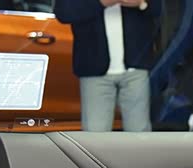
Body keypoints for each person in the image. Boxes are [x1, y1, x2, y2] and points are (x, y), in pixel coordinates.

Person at [54, 0, 161, 132]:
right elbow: (63, 13)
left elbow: (159, 9)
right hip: (93, 67)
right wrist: (101, 3)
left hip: (136, 66)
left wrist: (141, 3)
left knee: (140, 132)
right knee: (95, 134)